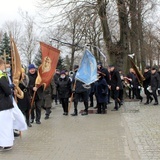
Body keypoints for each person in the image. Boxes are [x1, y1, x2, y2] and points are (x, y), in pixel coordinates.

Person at [0, 58, 14, 151]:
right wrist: (11, 88)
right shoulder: (1, 76)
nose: (5, 66)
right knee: (5, 125)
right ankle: (6, 143)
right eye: (4, 65)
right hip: (3, 104)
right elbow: (7, 91)